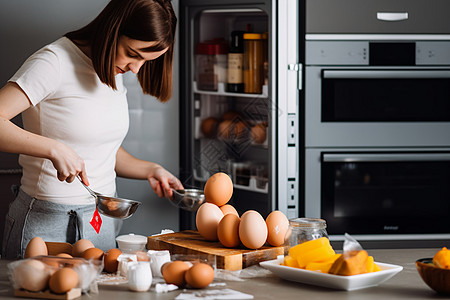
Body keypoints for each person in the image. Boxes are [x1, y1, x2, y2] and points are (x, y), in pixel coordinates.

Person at [0, 0, 183, 259]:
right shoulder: (54, 62)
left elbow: (101, 149)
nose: (135, 69)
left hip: (100, 221)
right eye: (133, 54)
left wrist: (150, 169)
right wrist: (53, 149)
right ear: (113, 30)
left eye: (145, 61)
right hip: (45, 222)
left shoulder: (114, 69)